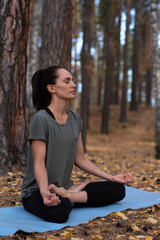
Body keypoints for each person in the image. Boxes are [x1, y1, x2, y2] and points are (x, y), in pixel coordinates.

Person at [21, 66, 132, 223]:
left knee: (118, 189)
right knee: (59, 212)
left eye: (72, 80)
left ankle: (71, 195)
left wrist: (112, 177)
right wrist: (45, 192)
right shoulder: (41, 119)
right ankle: (71, 197)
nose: (73, 84)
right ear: (51, 88)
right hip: (37, 191)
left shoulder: (75, 119)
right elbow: (38, 163)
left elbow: (80, 159)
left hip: (65, 189)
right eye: (67, 81)